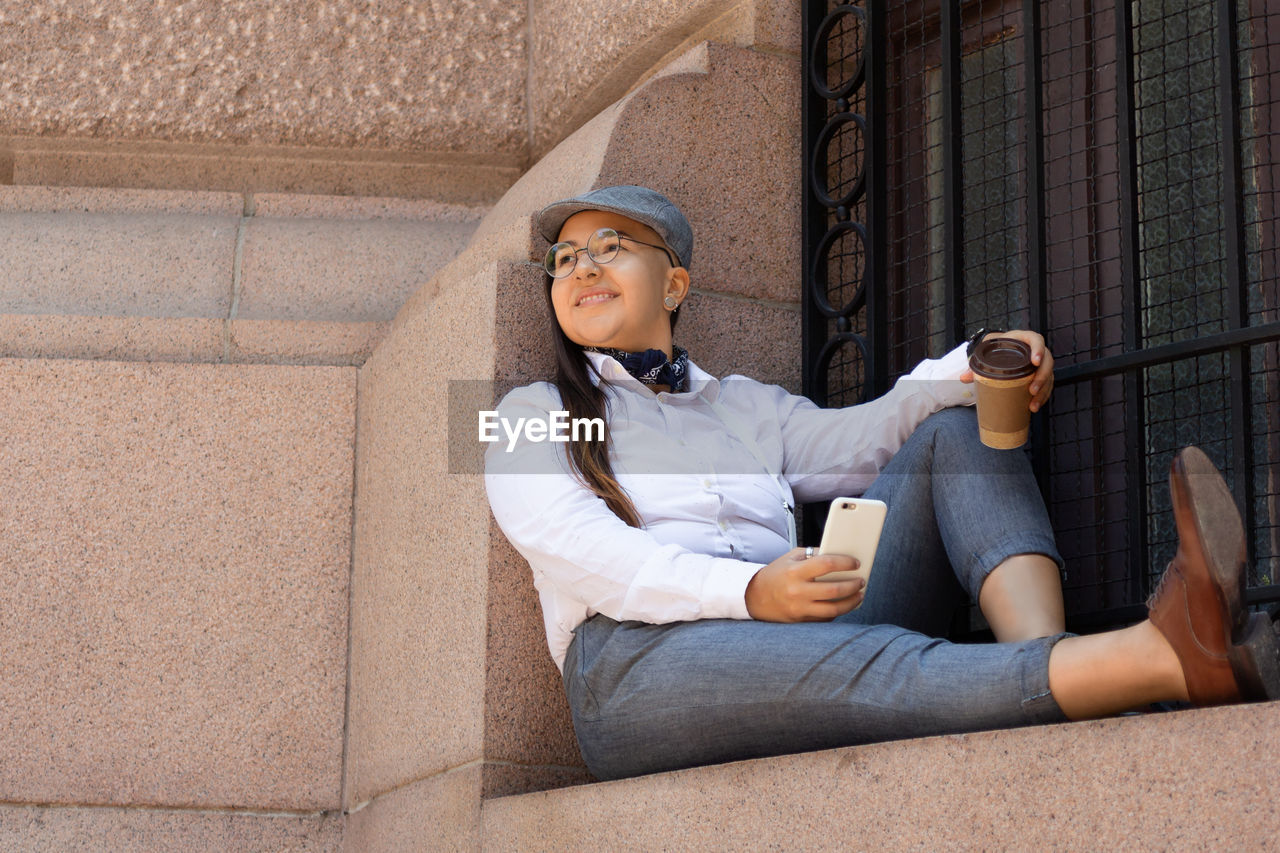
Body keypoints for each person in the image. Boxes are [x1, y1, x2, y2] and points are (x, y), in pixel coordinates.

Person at [484, 184, 1274, 781]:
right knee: (881, 657)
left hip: (788, 633)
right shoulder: (524, 410)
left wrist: (977, 363)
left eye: (611, 245)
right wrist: (751, 590)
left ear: (676, 284)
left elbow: (869, 433)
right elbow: (575, 547)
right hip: (634, 673)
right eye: (565, 258)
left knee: (953, 432)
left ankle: (1049, 662)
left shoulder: (743, 404)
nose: (583, 265)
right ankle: (1159, 658)